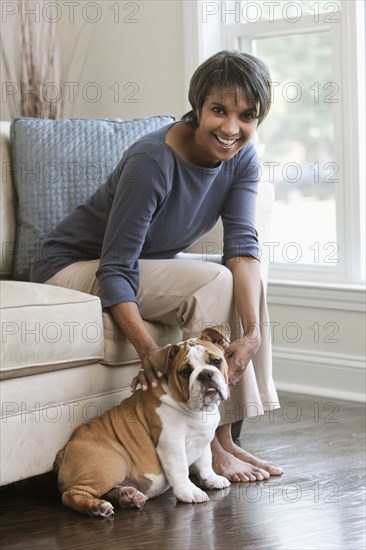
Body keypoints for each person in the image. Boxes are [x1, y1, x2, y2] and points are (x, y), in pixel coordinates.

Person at [31, 50, 283, 482]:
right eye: (218, 111)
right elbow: (116, 267)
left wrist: (253, 334)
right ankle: (216, 447)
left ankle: (223, 437)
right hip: (70, 266)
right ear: (197, 106)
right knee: (213, 282)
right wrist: (148, 350)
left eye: (246, 116)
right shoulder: (152, 161)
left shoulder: (242, 157)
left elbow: (241, 246)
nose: (230, 128)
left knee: (247, 276)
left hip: (143, 262)